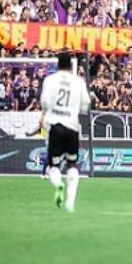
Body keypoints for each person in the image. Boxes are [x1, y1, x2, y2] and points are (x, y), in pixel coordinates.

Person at [40, 51, 90, 212]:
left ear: (58, 64)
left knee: (53, 166)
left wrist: (51, 112)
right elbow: (86, 105)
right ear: (71, 65)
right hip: (72, 127)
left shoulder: (50, 80)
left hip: (56, 126)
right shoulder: (78, 81)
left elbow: (44, 102)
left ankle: (58, 183)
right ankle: (70, 202)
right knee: (72, 164)